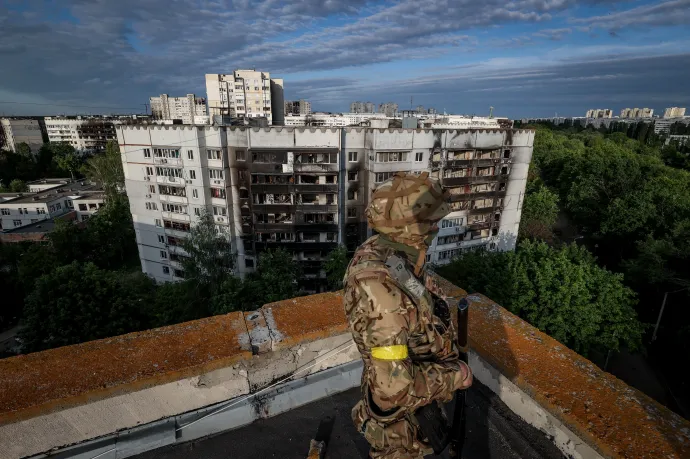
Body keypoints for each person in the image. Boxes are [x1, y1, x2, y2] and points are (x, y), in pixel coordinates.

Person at [343, 172, 473, 459]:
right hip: (400, 432)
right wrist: (454, 376)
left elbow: (413, 307)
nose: (437, 227)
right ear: (411, 228)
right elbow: (392, 389)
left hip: (417, 407)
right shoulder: (381, 289)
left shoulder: (389, 251)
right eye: (432, 221)